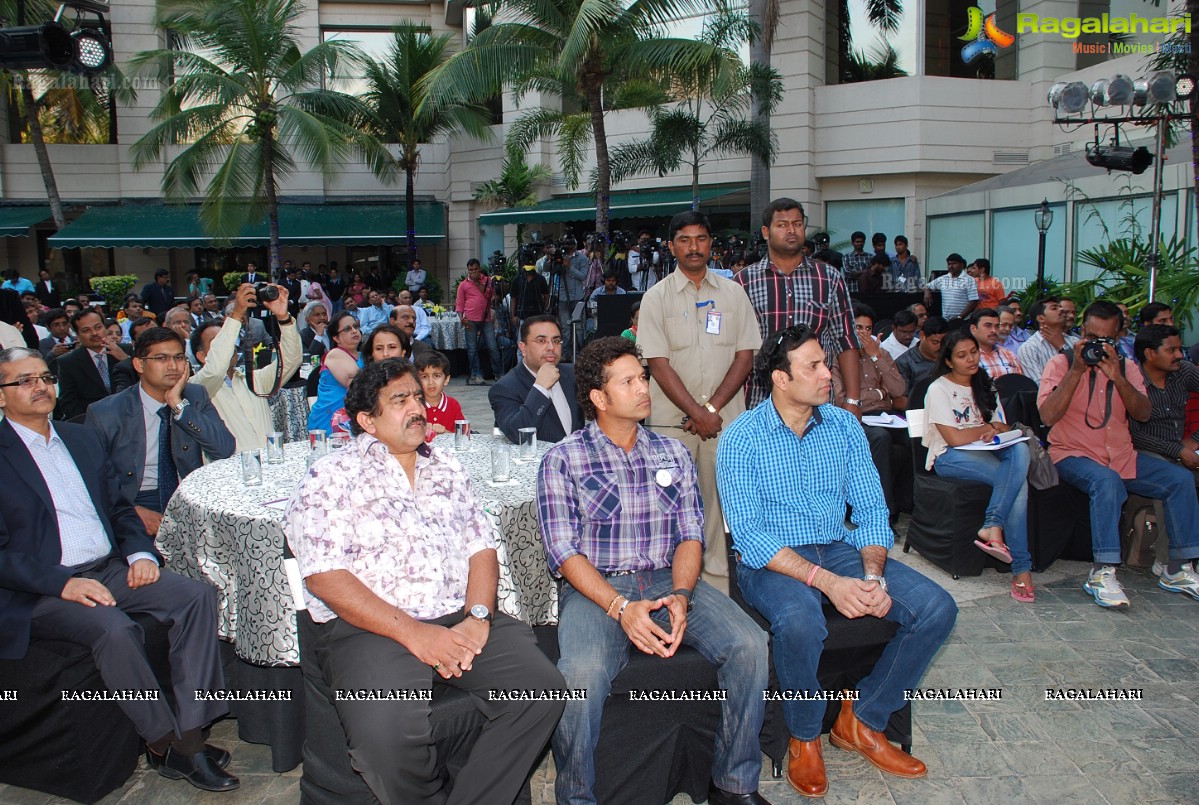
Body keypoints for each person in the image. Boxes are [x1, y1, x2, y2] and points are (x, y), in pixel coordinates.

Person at [286, 358, 563, 804]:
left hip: (459, 609)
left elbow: (482, 547)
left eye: (418, 396)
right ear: (366, 421)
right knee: (385, 738)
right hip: (372, 625)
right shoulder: (331, 476)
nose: (417, 407)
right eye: (400, 400)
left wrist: (477, 617)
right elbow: (323, 575)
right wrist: (415, 634)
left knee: (540, 691)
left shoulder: (448, 467)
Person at [716, 325, 956, 798]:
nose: (830, 374)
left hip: (838, 547)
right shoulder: (742, 436)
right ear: (781, 380)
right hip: (772, 560)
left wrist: (870, 576)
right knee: (801, 620)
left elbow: (870, 509)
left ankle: (863, 719)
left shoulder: (844, 426)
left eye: (825, 363)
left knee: (937, 608)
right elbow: (749, 535)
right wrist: (828, 583)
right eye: (815, 366)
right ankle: (805, 736)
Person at [537, 336, 771, 805]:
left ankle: (733, 784)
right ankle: (576, 796)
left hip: (669, 578)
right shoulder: (563, 459)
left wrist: (683, 595)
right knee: (580, 676)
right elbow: (562, 552)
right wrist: (621, 606)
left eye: (642, 377)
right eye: (629, 381)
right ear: (599, 399)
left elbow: (690, 534)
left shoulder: (673, 452)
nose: (644, 388)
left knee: (750, 644)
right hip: (597, 589)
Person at [0, 347, 240, 793]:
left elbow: (119, 509)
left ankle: (189, 735)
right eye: (24, 381)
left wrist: (140, 555)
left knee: (196, 595)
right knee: (115, 630)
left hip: (107, 568)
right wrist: (63, 583)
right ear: (0, 396)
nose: (41, 387)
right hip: (39, 589)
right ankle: (164, 741)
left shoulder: (78, 437)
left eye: (45, 377)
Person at [1038, 301, 1199, 607]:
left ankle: (1178, 568)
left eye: (1107, 340)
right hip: (1073, 453)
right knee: (1107, 481)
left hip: (1121, 454)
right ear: (1082, 331)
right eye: (1093, 338)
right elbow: (1047, 416)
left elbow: (1143, 413)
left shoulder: (1127, 367)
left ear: (1118, 337)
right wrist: (1076, 371)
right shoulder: (1060, 364)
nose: (1099, 346)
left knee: (1179, 479)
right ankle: (1103, 571)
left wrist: (1118, 377)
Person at [638, 210, 761, 586]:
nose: (694, 247)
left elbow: (745, 355)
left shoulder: (734, 294)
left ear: (711, 243)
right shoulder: (655, 298)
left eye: (701, 238)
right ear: (672, 246)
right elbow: (658, 364)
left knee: (718, 507)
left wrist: (710, 410)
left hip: (723, 425)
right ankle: (668, 589)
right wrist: (697, 412)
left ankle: (718, 590)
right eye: (685, 239)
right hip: (671, 428)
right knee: (667, 508)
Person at [86, 326, 234, 533]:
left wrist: (178, 405)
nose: (173, 366)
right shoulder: (106, 412)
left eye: (179, 357)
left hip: (189, 494)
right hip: (136, 498)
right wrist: (131, 510)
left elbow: (224, 448)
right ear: (139, 364)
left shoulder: (195, 396)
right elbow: (93, 476)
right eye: (162, 358)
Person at [923, 329, 1034, 600]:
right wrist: (986, 427)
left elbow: (1004, 427)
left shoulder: (986, 384)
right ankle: (1021, 569)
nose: (971, 359)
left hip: (988, 451)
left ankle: (992, 526)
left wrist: (994, 428)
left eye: (974, 352)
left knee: (1020, 448)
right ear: (949, 361)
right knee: (1016, 485)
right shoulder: (939, 389)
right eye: (962, 356)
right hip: (949, 456)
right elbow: (954, 438)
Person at [737, 198, 859, 410]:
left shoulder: (829, 278)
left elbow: (845, 340)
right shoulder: (744, 282)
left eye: (797, 224)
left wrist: (853, 400)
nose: (791, 230)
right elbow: (736, 349)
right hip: (759, 402)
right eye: (782, 225)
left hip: (817, 403)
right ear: (766, 232)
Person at [190, 284, 301, 452]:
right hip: (229, 473)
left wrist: (283, 318)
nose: (229, 344)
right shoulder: (198, 387)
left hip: (270, 465)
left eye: (229, 338)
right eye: (218, 340)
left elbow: (292, 360)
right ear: (201, 356)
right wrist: (236, 315)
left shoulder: (253, 379)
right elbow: (216, 369)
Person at [832, 304, 911, 528]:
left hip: (886, 415)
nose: (863, 334)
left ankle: (910, 504)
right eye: (858, 328)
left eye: (868, 329)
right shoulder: (838, 355)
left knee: (912, 435)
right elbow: (841, 398)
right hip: (855, 417)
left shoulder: (879, 353)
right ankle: (882, 513)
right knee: (880, 439)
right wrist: (878, 392)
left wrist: (876, 357)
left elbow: (898, 389)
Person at [489, 314, 581, 443]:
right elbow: (517, 435)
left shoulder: (573, 373)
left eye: (556, 340)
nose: (551, 347)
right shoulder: (504, 388)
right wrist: (541, 388)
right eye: (541, 341)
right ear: (523, 348)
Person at [1131, 324, 1199, 478]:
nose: (1180, 355)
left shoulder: (1184, 371)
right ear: (1149, 353)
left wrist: (1195, 438)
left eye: (1179, 349)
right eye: (1171, 350)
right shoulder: (1131, 381)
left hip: (1182, 447)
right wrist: (1177, 450)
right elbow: (1134, 434)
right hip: (1146, 452)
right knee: (1180, 477)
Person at [55, 307, 129, 420]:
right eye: (86, 330)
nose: (94, 333)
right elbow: (68, 403)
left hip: (130, 416)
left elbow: (144, 382)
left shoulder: (127, 351)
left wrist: (125, 359)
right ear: (77, 335)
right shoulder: (68, 362)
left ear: (105, 327)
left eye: (98, 327)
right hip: (92, 422)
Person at [308, 311, 361, 434]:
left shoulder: (364, 357)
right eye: (347, 329)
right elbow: (357, 384)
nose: (354, 331)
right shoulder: (334, 354)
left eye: (356, 326)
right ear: (335, 338)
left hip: (358, 417)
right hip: (332, 421)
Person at [455, 258, 502, 385]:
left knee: (493, 346)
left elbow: (490, 296)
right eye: (471, 270)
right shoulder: (463, 285)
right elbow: (459, 304)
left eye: (475, 269)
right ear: (468, 270)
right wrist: (461, 318)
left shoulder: (487, 281)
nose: (473, 272)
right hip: (470, 319)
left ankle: (498, 373)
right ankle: (476, 374)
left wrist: (477, 283)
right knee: (472, 349)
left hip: (486, 319)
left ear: (479, 268)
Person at [1017, 296, 1079, 385]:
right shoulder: (1029, 348)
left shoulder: (1074, 341)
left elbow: (1083, 374)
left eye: (1060, 307)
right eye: (1054, 308)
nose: (1062, 309)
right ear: (1041, 318)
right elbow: (1038, 386)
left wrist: (1063, 346)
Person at [896, 315, 949, 399]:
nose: (940, 347)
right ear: (922, 335)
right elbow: (900, 399)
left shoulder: (950, 356)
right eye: (935, 342)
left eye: (944, 343)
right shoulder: (904, 363)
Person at [416, 350, 464, 440]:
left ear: (446, 379)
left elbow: (463, 437)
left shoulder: (453, 405)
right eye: (424, 377)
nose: (431, 382)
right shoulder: (414, 406)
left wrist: (445, 432)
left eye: (437, 376)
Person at [969, 307, 1023, 378]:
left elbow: (1022, 384)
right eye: (988, 326)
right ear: (973, 329)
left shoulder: (1009, 355)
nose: (994, 330)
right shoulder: (968, 357)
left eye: (997, 326)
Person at [923, 253, 978, 321]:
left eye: (954, 263)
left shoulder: (969, 280)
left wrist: (959, 317)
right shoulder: (943, 279)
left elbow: (973, 302)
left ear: (962, 265)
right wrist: (927, 292)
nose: (951, 266)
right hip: (946, 320)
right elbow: (926, 286)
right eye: (949, 264)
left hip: (963, 320)